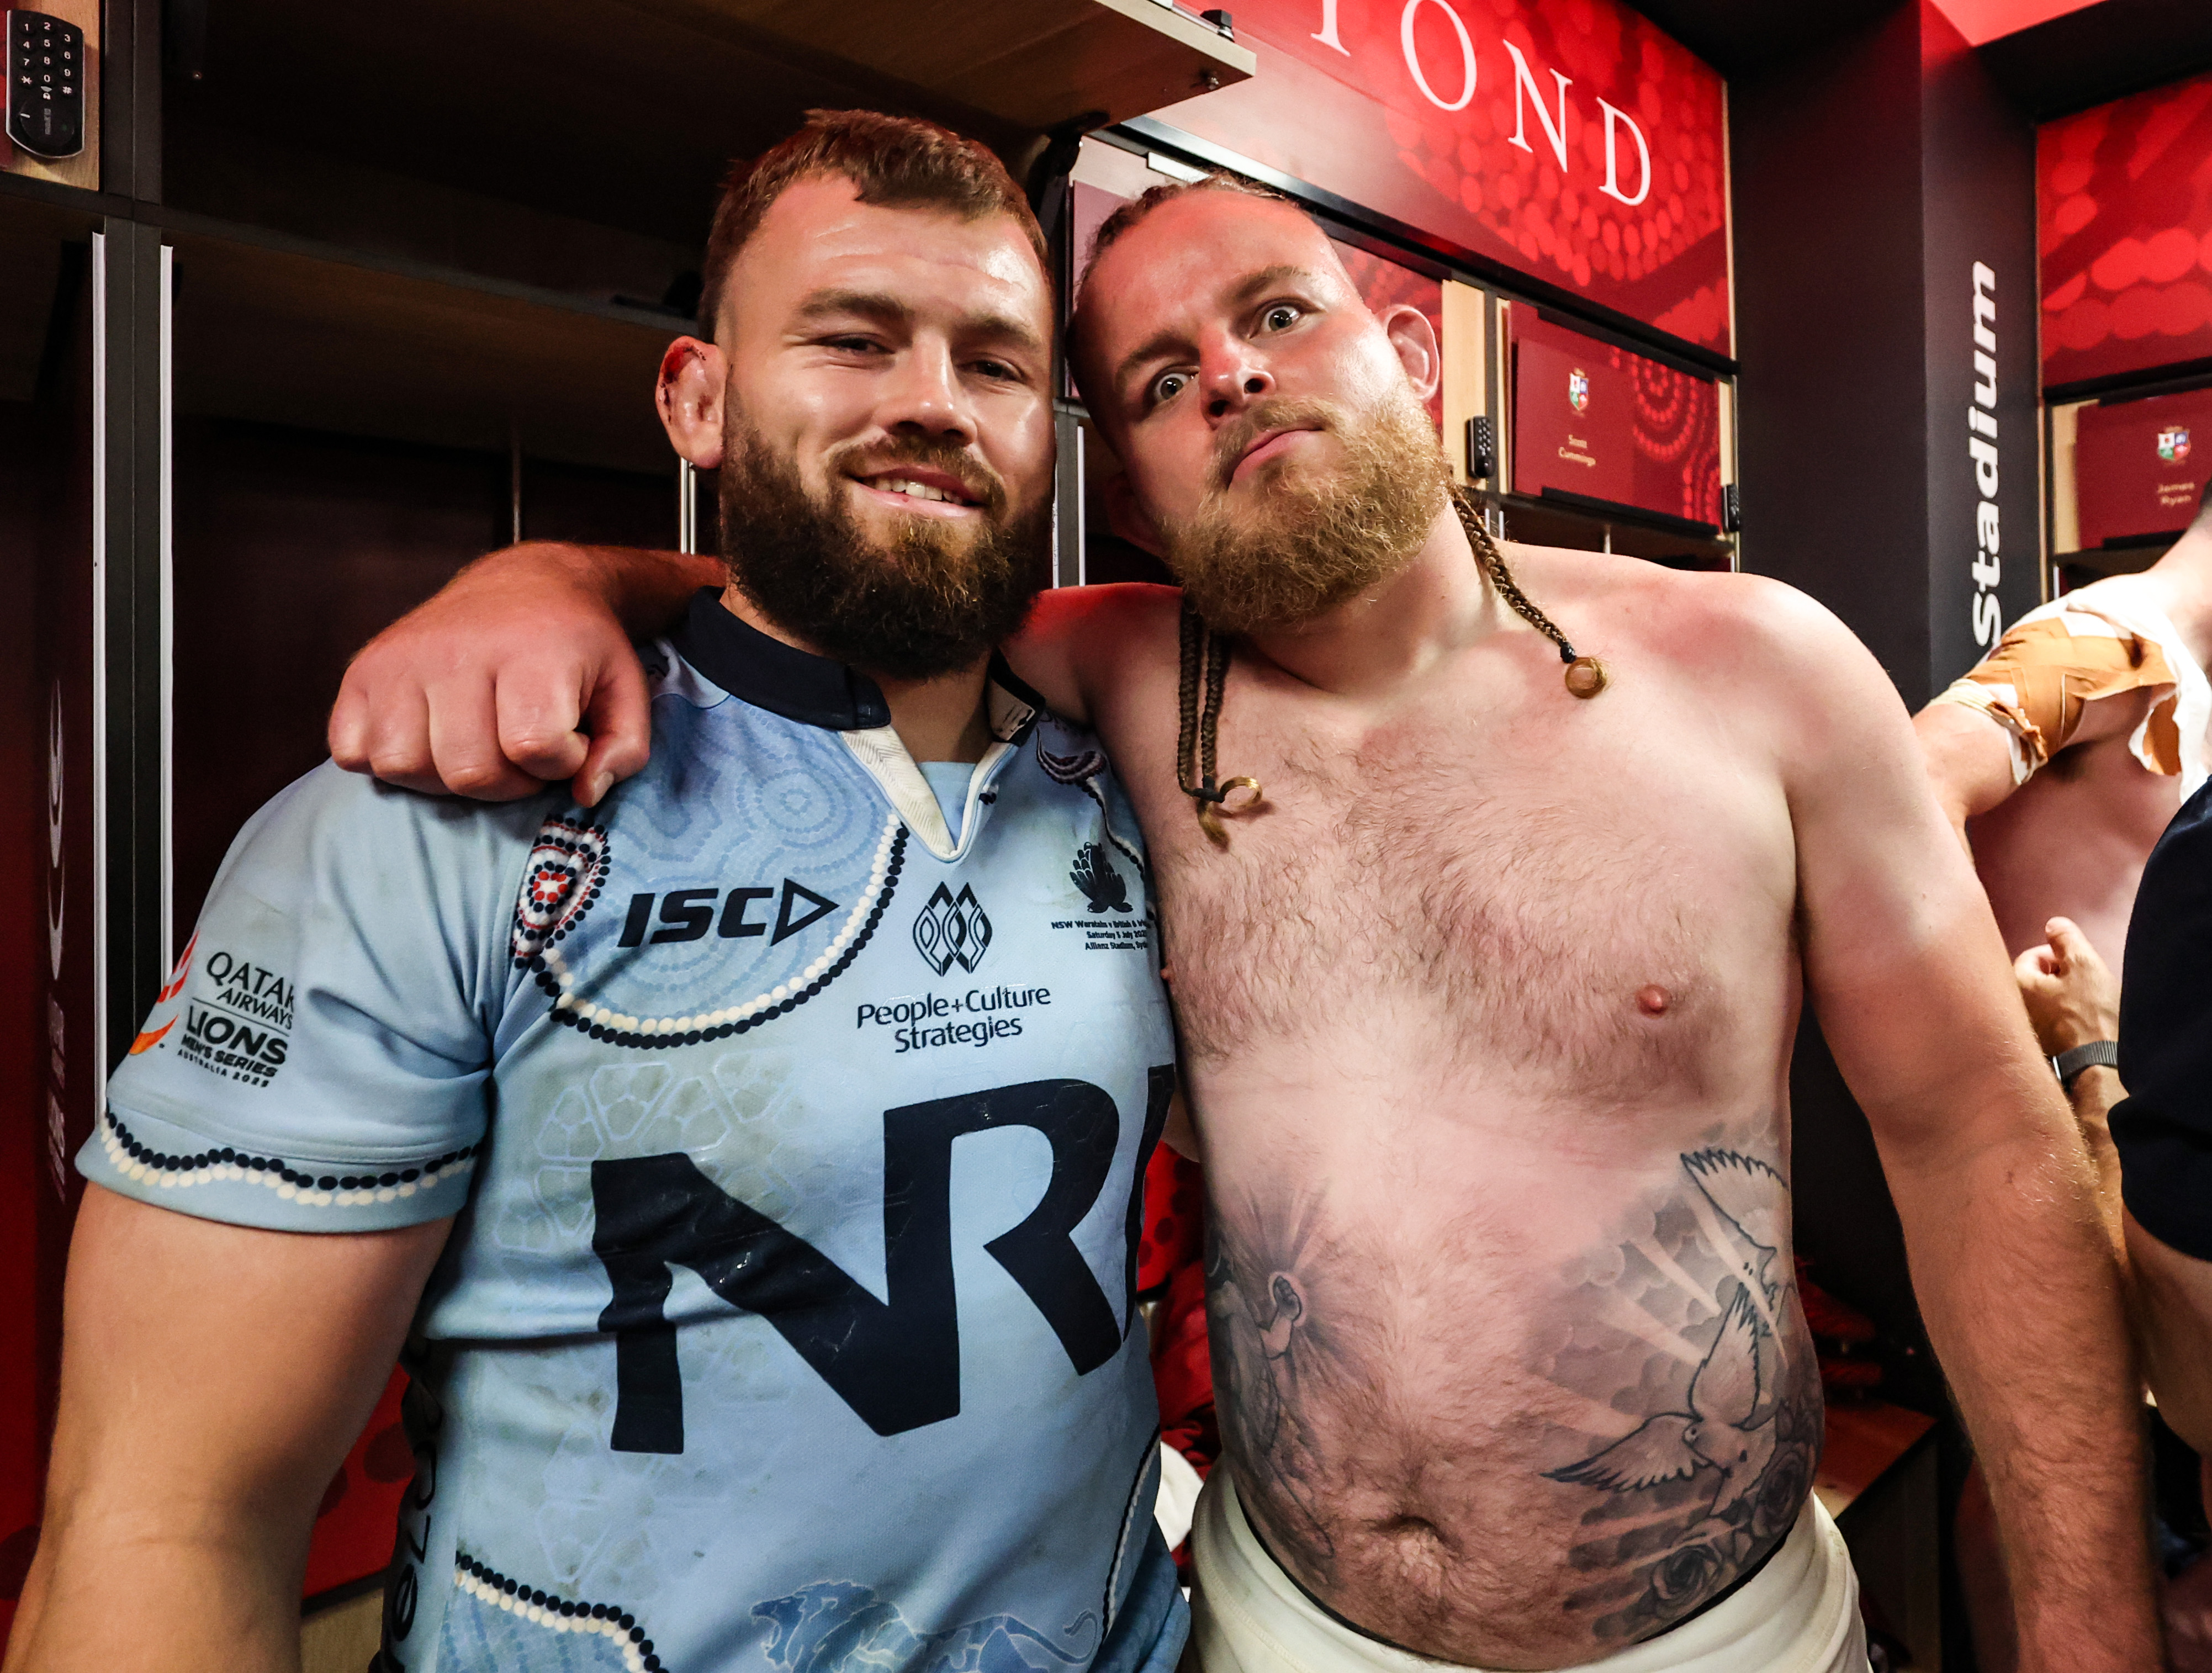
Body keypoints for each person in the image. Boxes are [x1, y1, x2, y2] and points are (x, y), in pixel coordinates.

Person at [328, 172, 2158, 1672]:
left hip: (1718, 1636)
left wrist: (2086, 1625)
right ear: (1129, 494)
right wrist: (552, 582)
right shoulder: (1101, 681)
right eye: (1153, 379)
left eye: (1276, 312)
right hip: (1278, 1628)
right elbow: (816, 586)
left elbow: (1979, 1143)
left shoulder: (1754, 670)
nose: (1227, 375)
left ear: (1407, 354)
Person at [3, 113, 1192, 1673]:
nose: (930, 401)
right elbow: (164, 1523)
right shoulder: (425, 824)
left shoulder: (1151, 773)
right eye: (851, 339)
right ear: (696, 399)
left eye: (992, 362)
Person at [1914, 486, 2212, 965]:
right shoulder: (2111, 637)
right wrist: (1992, 1010)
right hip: (2036, 1011)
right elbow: (1918, 784)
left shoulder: (2189, 680)